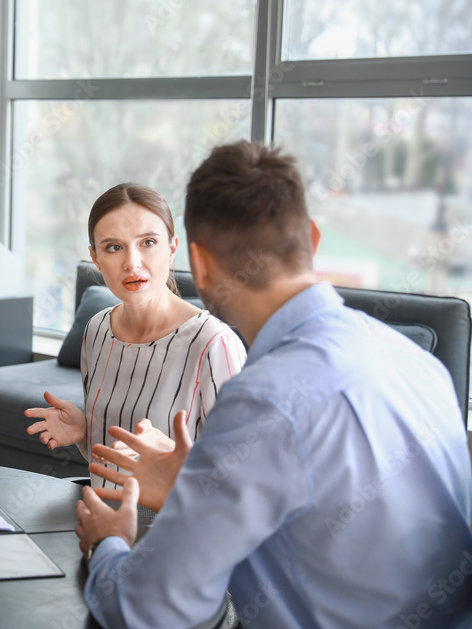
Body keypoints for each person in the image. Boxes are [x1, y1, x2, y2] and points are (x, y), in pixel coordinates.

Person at [76, 141, 472, 627]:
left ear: (196, 264)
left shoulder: (263, 404)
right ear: (311, 237)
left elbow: (149, 610)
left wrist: (107, 540)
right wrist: (196, 484)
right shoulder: (419, 364)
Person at [25, 184, 245, 490]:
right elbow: (112, 461)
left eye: (148, 242)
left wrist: (171, 458)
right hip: (102, 521)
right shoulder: (98, 329)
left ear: (171, 248)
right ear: (96, 258)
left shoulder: (212, 343)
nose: (132, 262)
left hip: (171, 531)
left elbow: (241, 478)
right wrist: (85, 432)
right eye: (114, 247)